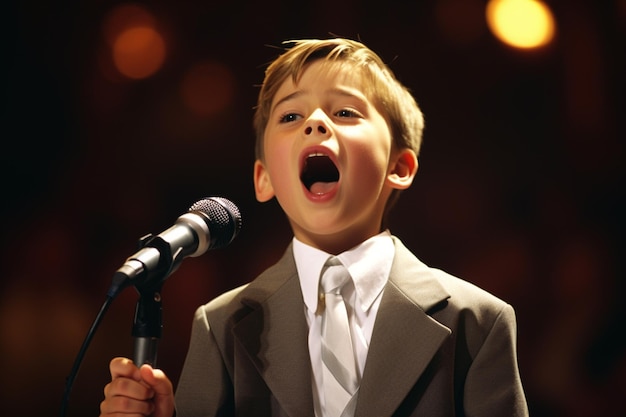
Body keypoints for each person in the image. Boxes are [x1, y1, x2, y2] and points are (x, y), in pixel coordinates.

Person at [100, 37, 529, 417]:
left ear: (399, 166)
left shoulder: (477, 321)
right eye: (290, 117)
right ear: (264, 178)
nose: (315, 122)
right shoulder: (221, 325)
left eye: (344, 111)